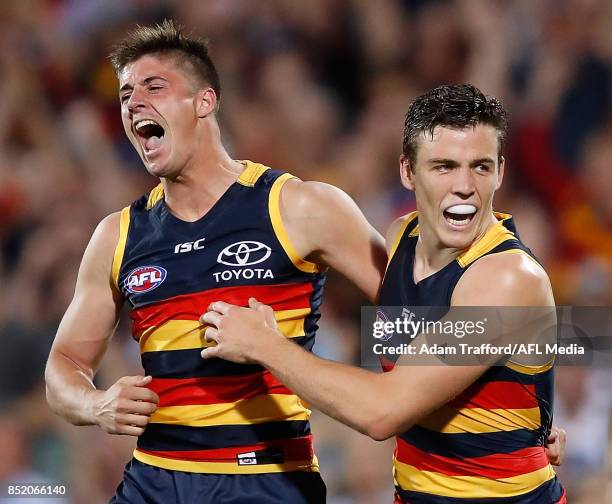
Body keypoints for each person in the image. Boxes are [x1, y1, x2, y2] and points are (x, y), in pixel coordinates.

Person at [44, 20, 387, 504]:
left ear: (204, 102)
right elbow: (63, 366)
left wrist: (511, 412)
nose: (133, 102)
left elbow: (417, 316)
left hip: (267, 481)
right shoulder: (117, 235)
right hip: (154, 481)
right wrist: (95, 403)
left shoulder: (299, 207)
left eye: (154, 86)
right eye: (125, 94)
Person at [202, 84, 568, 503]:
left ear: (500, 172)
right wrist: (537, 421)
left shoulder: (507, 276)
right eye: (444, 166)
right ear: (408, 172)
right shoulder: (402, 239)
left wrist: (267, 345)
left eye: (481, 167)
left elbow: (382, 412)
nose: (465, 185)